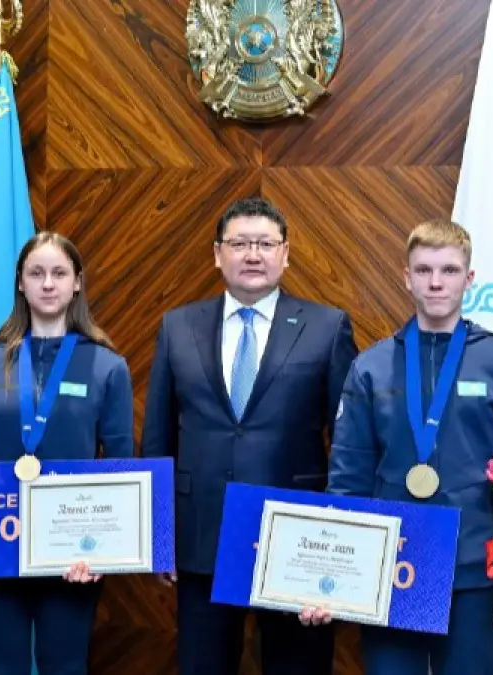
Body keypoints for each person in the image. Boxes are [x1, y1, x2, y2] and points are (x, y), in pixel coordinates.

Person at [297, 219, 493, 675]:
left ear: (469, 279)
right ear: (406, 277)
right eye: (424, 270)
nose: (436, 282)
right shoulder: (370, 367)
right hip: (390, 571)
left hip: (473, 568)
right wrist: (329, 573)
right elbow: (349, 478)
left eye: (449, 270)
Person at [142, 197, 358, 675]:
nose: (253, 254)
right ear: (217, 254)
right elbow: (158, 435)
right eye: (240, 243)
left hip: (298, 541)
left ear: (286, 254)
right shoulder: (177, 326)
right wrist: (158, 534)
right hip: (202, 535)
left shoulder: (327, 327)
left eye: (265, 243)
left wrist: (342, 538)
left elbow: (349, 443)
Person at [0, 231, 135, 675]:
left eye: (59, 273)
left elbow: (122, 466)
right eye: (36, 273)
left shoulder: (108, 366)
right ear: (20, 282)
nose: (48, 283)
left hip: (73, 554)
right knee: (1, 668)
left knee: (64, 668)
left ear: (77, 283)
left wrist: (105, 552)